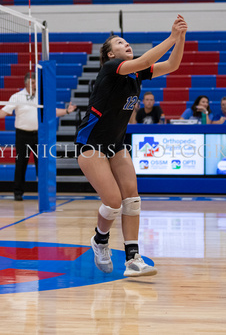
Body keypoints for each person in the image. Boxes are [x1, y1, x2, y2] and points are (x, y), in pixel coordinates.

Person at [75, 15, 188, 277]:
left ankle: (132, 259)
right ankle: (100, 241)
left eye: (126, 41)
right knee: (113, 202)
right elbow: (148, 60)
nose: (125, 44)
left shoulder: (135, 74)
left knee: (132, 200)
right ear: (109, 53)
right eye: (119, 42)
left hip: (115, 144)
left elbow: (172, 64)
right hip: (91, 144)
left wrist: (180, 38)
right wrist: (171, 36)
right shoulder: (111, 68)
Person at [0, 72, 76, 201]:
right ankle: (18, 193)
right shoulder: (17, 97)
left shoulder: (41, 96)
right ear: (26, 83)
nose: (35, 85)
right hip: (22, 135)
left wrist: (67, 111)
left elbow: (52, 112)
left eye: (36, 83)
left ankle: (44, 193)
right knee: (21, 164)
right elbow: (5, 111)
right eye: (33, 83)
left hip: (39, 135)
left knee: (42, 164)